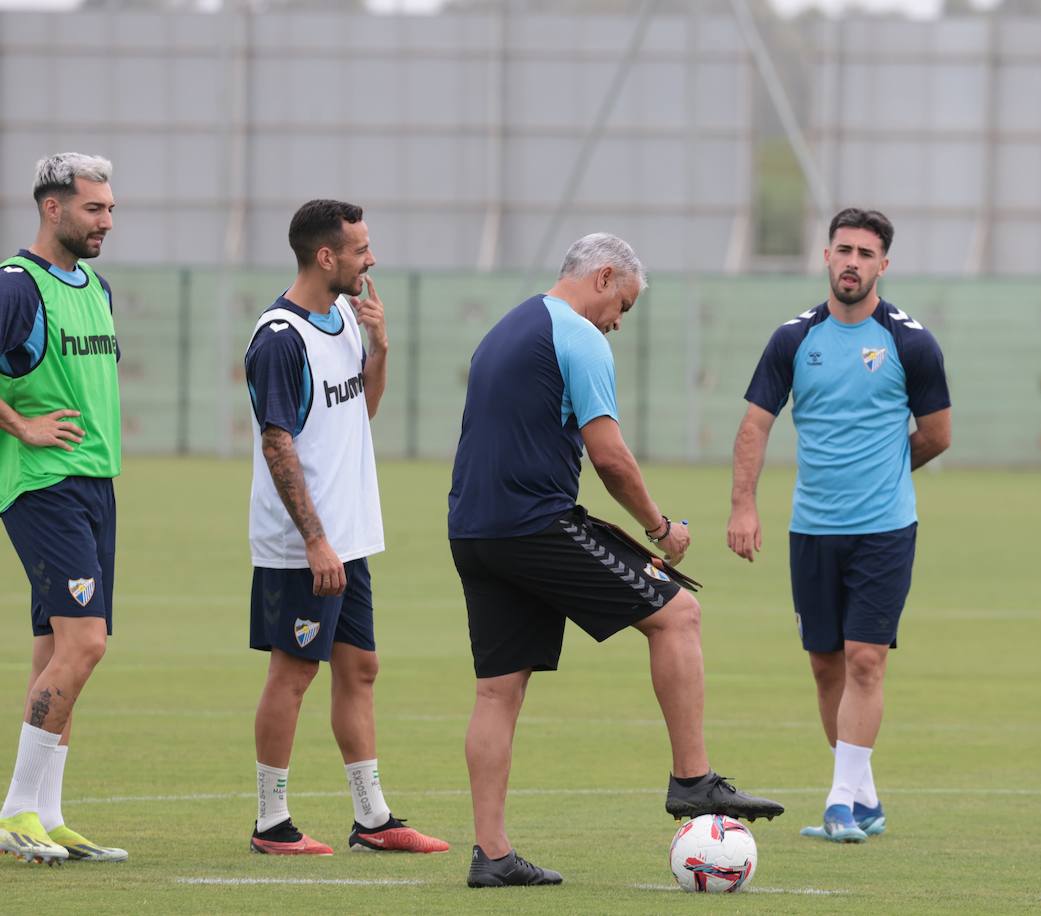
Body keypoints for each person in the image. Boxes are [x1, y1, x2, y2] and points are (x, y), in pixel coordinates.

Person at [449, 232, 784, 888]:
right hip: (532, 525)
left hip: (474, 530)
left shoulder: (508, 327)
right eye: (622, 305)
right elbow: (609, 455)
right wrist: (660, 527)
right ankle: (692, 780)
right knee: (678, 611)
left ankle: (491, 854)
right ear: (602, 278)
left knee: (497, 690)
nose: (619, 322)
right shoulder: (578, 336)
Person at [727, 207, 951, 844]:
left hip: (884, 529)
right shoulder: (793, 341)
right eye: (843, 249)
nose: (852, 261)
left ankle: (838, 804)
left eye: (865, 252)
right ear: (826, 257)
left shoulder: (912, 342)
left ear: (884, 265)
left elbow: (937, 434)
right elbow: (755, 427)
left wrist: (883, 470)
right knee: (826, 665)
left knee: (865, 661)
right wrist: (744, 505)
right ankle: (865, 796)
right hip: (812, 530)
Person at [243, 199, 446, 856]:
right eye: (361, 249)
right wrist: (313, 540)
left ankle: (373, 819)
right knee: (294, 671)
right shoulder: (280, 338)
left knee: (360, 668)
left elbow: (364, 410)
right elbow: (278, 444)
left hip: (348, 539)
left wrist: (380, 347)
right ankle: (271, 823)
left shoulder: (345, 322)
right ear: (326, 256)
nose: (372, 258)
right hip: (304, 546)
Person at [0, 153, 127, 865]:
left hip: (96, 486)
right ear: (53, 208)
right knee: (86, 643)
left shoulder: (96, 286)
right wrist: (21, 426)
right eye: (94, 209)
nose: (106, 220)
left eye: (110, 208)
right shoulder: (16, 287)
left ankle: (46, 813)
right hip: (43, 485)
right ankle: (15, 808)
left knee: (58, 649)